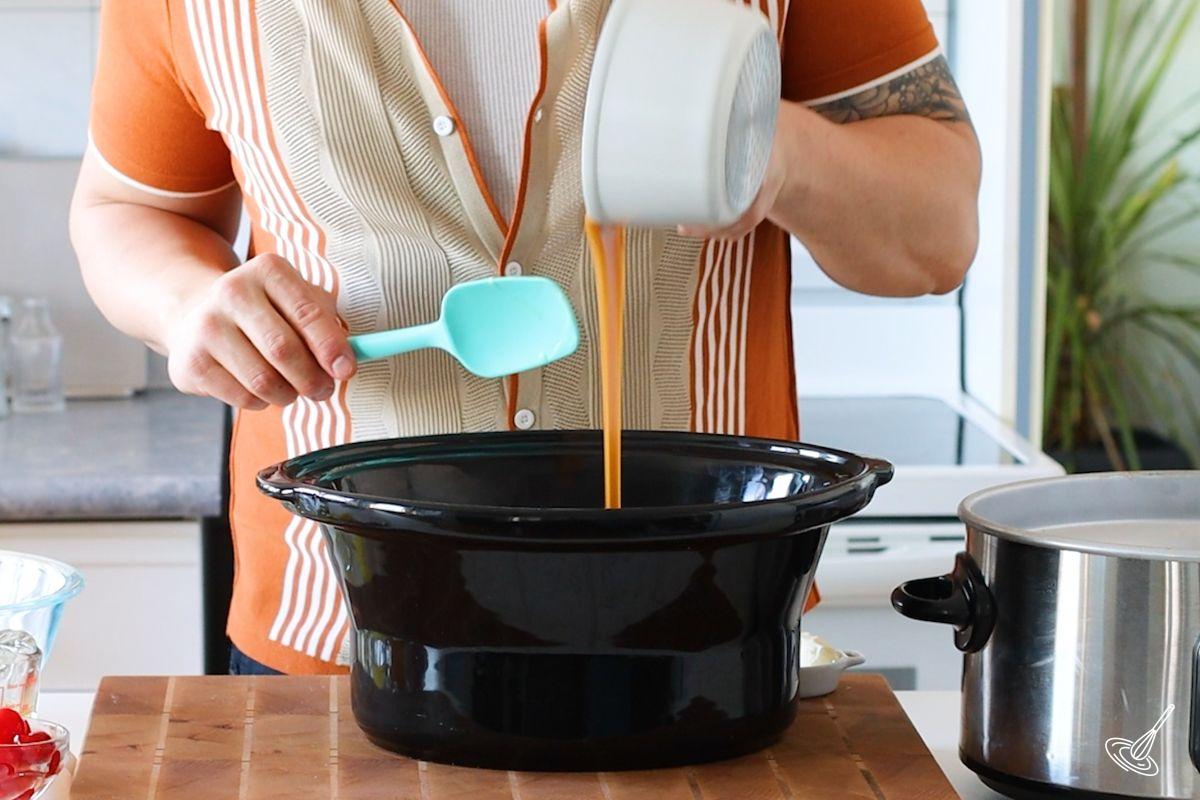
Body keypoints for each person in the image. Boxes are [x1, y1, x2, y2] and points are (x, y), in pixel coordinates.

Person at [71, 0, 980, 676]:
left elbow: (940, 233)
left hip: (697, 642)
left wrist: (783, 154)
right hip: (332, 646)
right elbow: (127, 213)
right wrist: (185, 302)